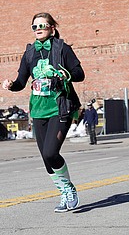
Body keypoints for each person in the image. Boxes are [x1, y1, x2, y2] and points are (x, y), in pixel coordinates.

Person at [2, 12, 85, 213]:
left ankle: (69, 189)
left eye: (42, 26)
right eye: (35, 27)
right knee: (45, 158)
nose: (38, 29)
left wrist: (67, 75)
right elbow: (21, 81)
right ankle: (64, 193)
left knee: (51, 152)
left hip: (60, 107)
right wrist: (11, 85)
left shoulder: (62, 48)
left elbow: (79, 74)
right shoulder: (29, 53)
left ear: (52, 28)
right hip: (38, 110)